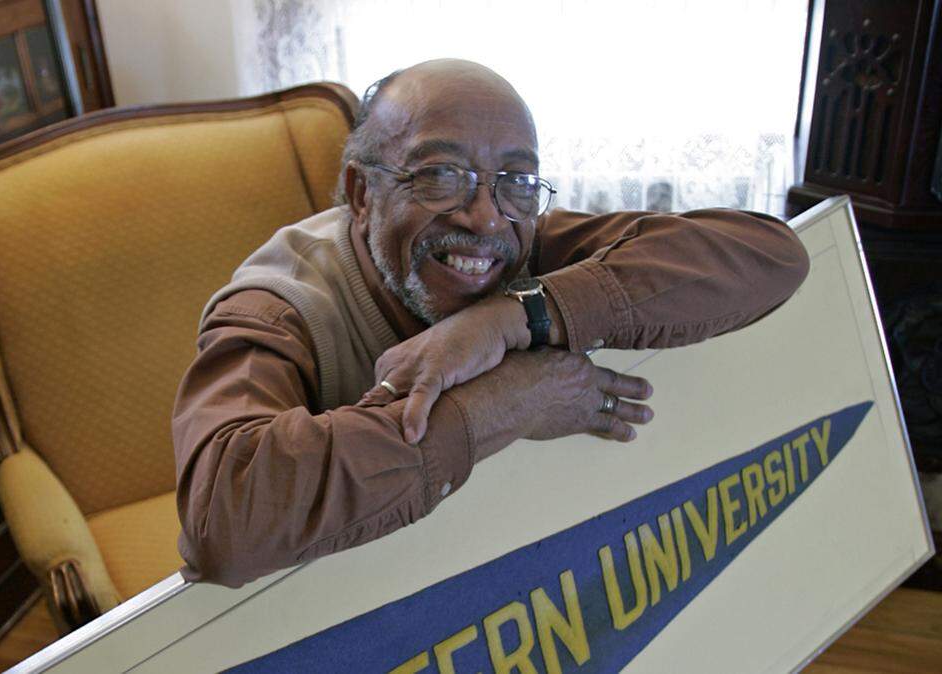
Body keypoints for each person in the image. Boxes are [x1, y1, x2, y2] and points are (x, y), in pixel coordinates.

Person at [173, 59, 810, 588]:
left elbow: (769, 255)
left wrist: (521, 316)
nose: (484, 218)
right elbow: (223, 518)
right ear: (362, 194)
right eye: (441, 176)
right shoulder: (277, 307)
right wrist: (500, 408)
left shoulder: (518, 237)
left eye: (516, 179)